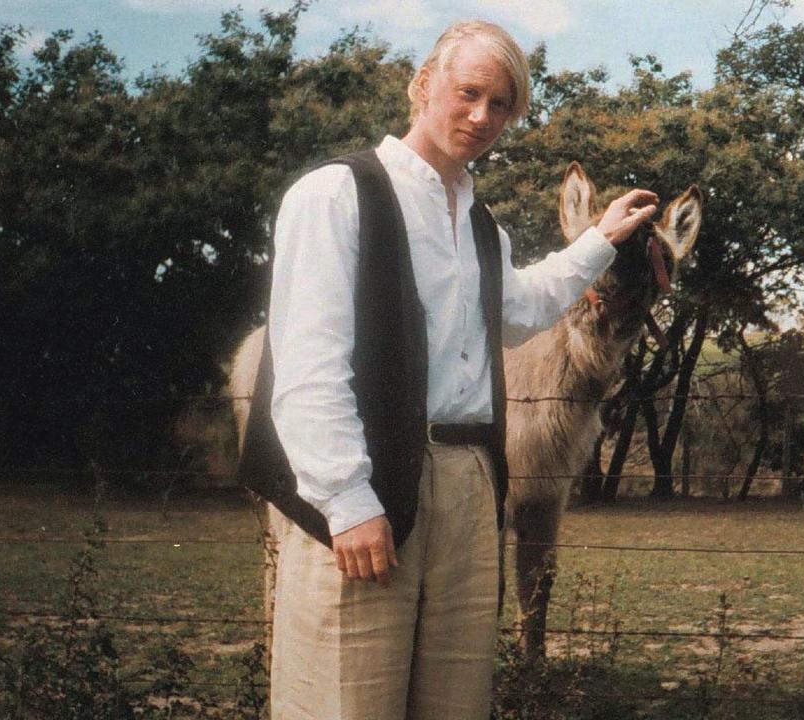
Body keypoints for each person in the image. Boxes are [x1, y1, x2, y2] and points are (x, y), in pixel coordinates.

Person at [253, 19, 658, 720]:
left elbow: (521, 309)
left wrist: (599, 241)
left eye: (501, 105)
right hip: (371, 483)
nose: (482, 116)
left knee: (455, 703)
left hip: (472, 482)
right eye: (469, 92)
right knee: (345, 701)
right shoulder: (334, 195)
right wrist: (347, 503)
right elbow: (308, 366)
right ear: (422, 85)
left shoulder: (479, 222)